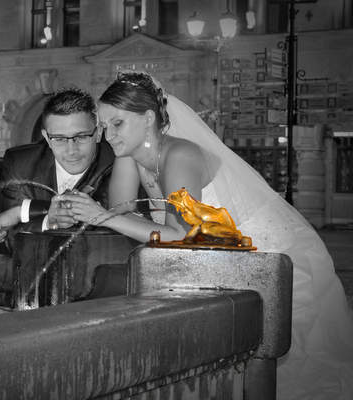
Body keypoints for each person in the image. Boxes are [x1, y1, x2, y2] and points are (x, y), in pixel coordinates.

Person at [61, 71, 353, 399]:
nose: (108, 135)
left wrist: (102, 216)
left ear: (148, 118)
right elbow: (122, 211)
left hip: (265, 251)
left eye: (117, 123)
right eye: (103, 126)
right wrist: (89, 211)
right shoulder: (129, 154)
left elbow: (180, 235)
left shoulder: (180, 154)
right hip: (216, 258)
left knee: (284, 364)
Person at [0, 88, 114, 249]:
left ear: (99, 132)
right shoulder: (20, 164)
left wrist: (22, 212)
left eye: (81, 136)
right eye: (59, 139)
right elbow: (12, 240)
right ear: (46, 138)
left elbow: (113, 233)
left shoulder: (117, 162)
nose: (71, 150)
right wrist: (48, 221)